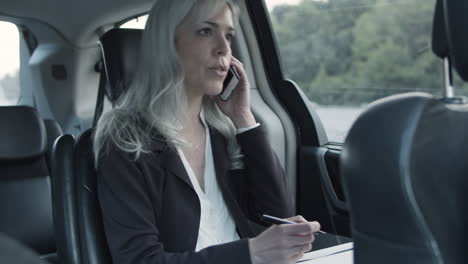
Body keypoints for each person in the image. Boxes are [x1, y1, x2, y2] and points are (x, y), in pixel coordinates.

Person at [93, 0, 321, 263]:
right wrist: (251, 253)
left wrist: (243, 119)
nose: (224, 48)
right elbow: (139, 259)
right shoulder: (126, 140)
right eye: (205, 31)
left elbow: (277, 213)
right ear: (167, 42)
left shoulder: (222, 131)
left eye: (229, 35)